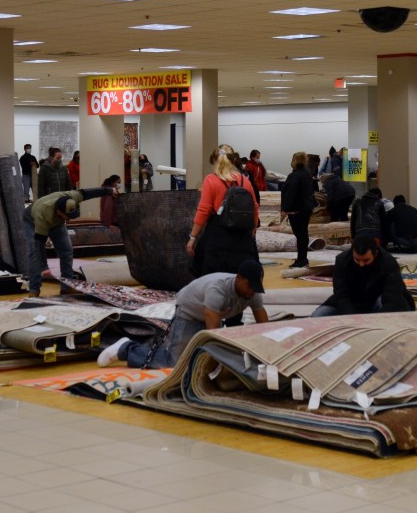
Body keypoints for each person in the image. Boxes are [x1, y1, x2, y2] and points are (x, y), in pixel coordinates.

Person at [97, 260, 269, 369]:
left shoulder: (253, 294)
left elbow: (265, 326)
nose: (252, 291)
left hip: (211, 315)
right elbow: (212, 333)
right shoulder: (217, 290)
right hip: (190, 312)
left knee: (200, 360)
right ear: (239, 278)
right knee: (174, 363)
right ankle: (125, 349)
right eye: (249, 285)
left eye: (256, 286)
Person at [23, 186, 113, 296]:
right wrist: (43, 267)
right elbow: (39, 245)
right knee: (34, 253)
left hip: (57, 222)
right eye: (67, 216)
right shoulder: (43, 215)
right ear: (58, 211)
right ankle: (34, 289)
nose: (69, 219)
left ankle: (67, 287)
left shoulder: (72, 197)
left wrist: (109, 191)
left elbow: (89, 193)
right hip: (32, 221)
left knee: (66, 250)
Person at [187, 144, 259, 277]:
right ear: (233, 160)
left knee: (213, 277)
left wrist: (193, 237)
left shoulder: (211, 180)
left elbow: (204, 210)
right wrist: (252, 234)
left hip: (218, 236)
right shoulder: (245, 181)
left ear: (214, 161)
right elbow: (254, 208)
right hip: (242, 237)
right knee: (240, 277)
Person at [312, 235, 414, 317]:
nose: (361, 264)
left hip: (379, 300)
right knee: (318, 316)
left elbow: (392, 299)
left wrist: (371, 322)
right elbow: (341, 294)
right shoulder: (342, 261)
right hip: (353, 302)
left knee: (383, 310)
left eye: (366, 260)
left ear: (376, 253)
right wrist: (354, 318)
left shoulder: (388, 263)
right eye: (357, 260)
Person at [279, 151, 315, 268]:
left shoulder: (294, 175)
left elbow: (290, 193)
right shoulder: (307, 174)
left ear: (294, 161)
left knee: (300, 235)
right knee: (303, 233)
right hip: (307, 207)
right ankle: (302, 258)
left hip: (297, 209)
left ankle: (301, 259)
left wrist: (285, 209)